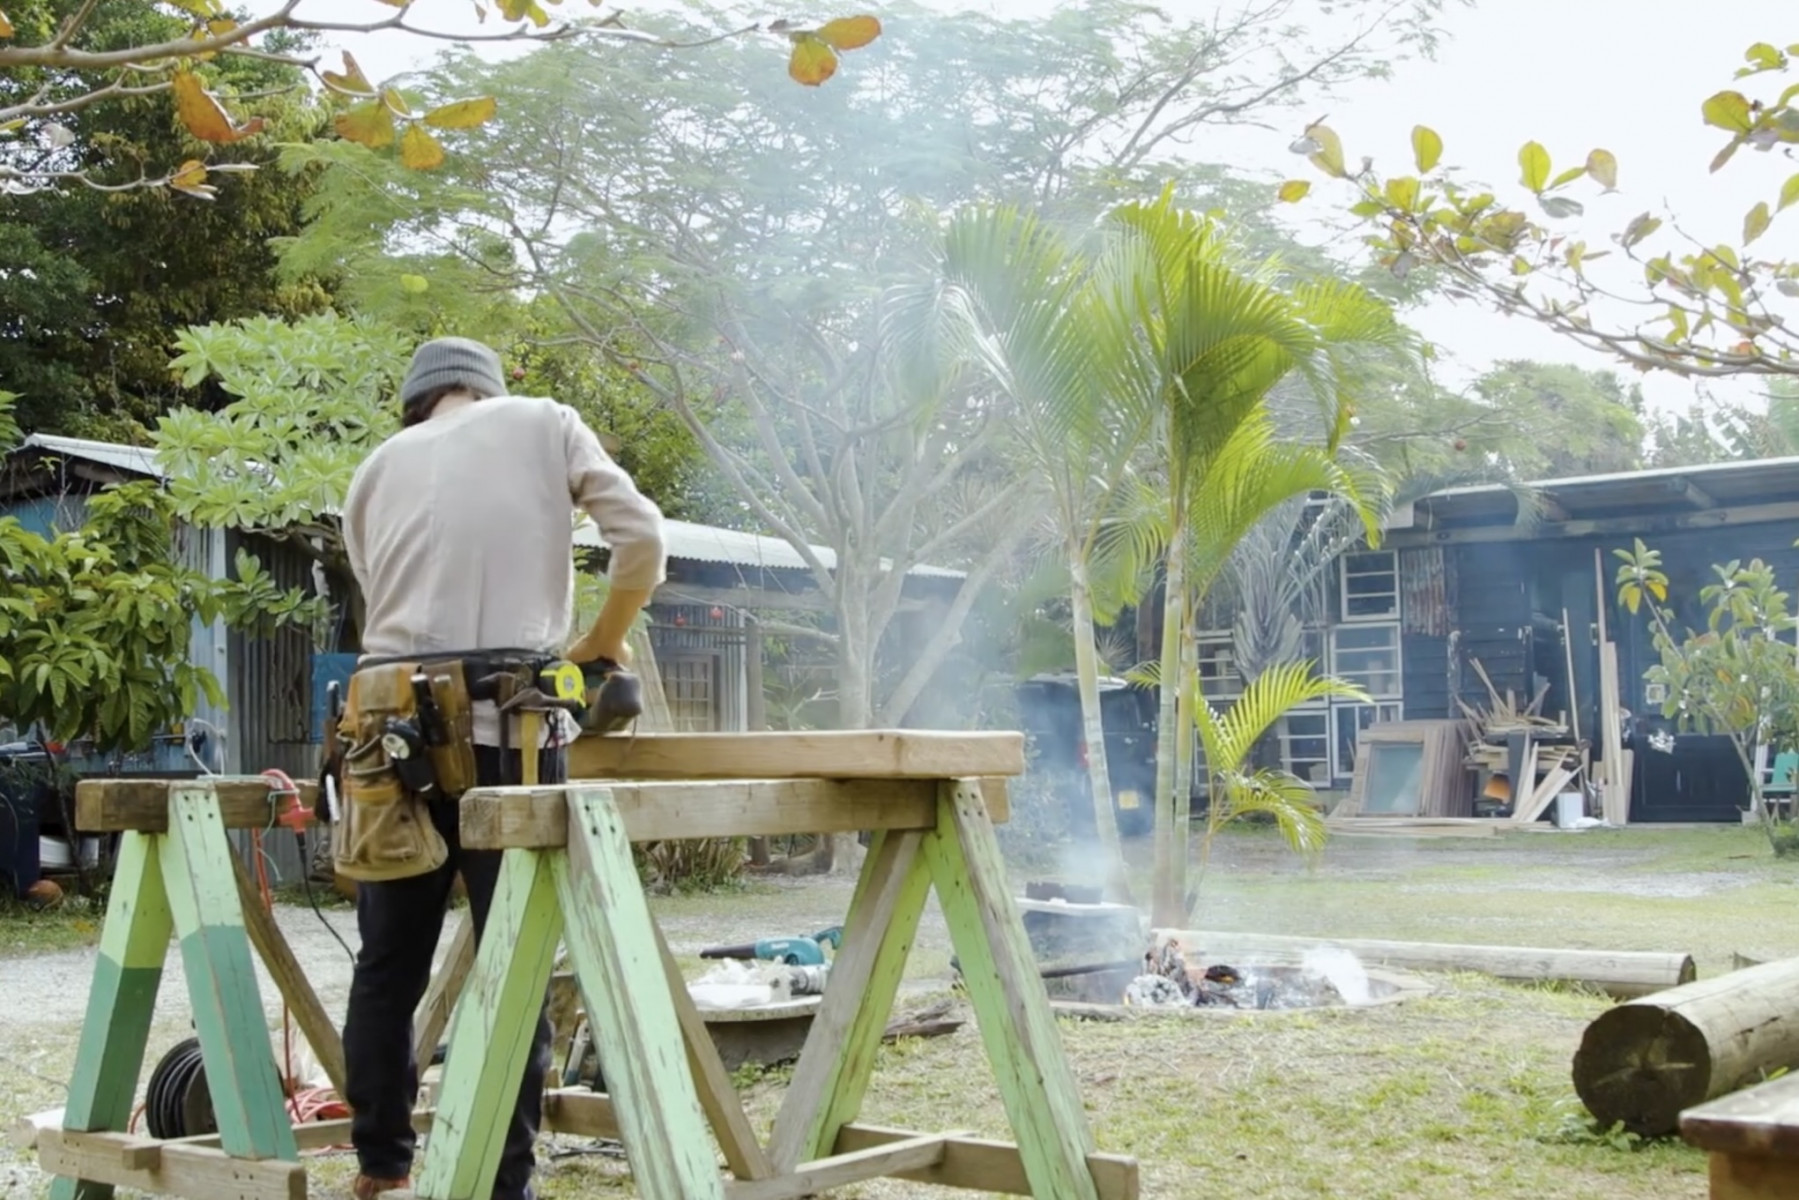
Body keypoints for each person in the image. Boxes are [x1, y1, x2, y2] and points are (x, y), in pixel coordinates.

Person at [336, 336, 666, 1200]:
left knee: (387, 965)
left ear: (418, 403)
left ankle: (381, 1170)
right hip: (508, 727)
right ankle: (502, 1183)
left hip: (389, 732)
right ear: (485, 389)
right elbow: (643, 541)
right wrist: (597, 641)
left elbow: (378, 597)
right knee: (512, 958)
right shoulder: (544, 422)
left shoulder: (377, 465)